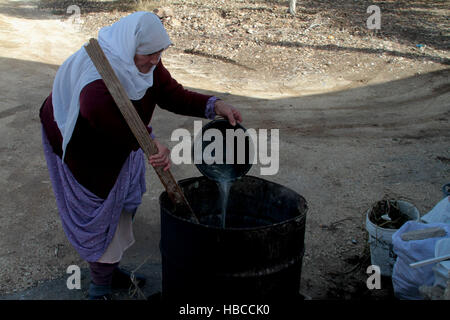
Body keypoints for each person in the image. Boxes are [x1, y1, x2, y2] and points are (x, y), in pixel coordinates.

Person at [39, 11, 242, 300]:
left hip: (126, 138)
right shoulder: (96, 81)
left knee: (124, 205)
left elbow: (172, 94)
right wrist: (148, 143)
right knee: (103, 214)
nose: (155, 60)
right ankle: (99, 288)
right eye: (149, 54)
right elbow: (97, 114)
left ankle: (109, 270)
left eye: (159, 53)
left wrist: (215, 105)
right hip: (83, 147)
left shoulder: (141, 61)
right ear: (130, 47)